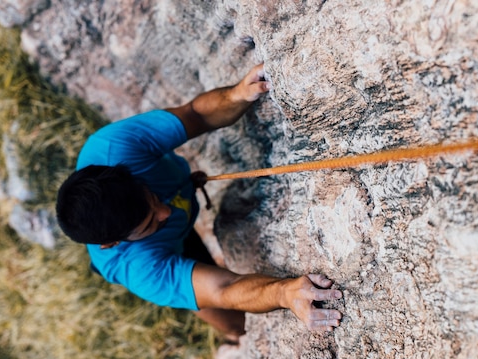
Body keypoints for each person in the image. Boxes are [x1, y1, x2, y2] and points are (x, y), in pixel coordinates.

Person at [56, 64, 343, 340]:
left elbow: (196, 115)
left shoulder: (114, 148)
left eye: (152, 197)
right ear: (114, 243)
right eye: (149, 220)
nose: (164, 210)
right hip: (160, 250)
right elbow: (225, 289)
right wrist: (284, 293)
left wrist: (237, 94)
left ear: (123, 171)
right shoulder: (141, 268)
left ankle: (179, 267)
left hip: (164, 231)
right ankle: (185, 285)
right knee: (235, 325)